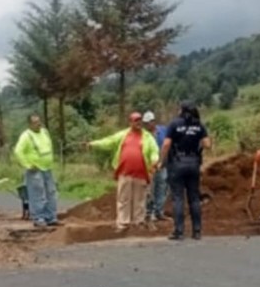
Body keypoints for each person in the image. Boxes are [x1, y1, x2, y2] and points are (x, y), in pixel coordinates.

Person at [87, 112, 160, 232]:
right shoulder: (123, 135)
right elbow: (108, 141)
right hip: (125, 172)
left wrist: (154, 161)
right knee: (123, 198)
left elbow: (154, 151)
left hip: (141, 173)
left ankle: (138, 222)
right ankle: (123, 223)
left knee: (139, 199)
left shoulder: (147, 137)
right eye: (136, 120)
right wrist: (93, 144)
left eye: (140, 120)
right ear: (130, 122)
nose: (138, 123)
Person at [159, 102, 212, 241]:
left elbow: (166, 144)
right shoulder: (198, 125)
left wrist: (161, 161)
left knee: (178, 198)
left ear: (182, 110)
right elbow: (207, 144)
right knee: (194, 198)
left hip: (177, 163)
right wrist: (196, 147)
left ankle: (179, 231)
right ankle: (197, 231)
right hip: (193, 163)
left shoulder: (174, 124)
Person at [13, 114, 60, 228]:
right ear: (30, 124)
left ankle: (51, 216)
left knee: (51, 192)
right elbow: (18, 151)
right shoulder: (26, 136)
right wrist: (28, 165)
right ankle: (39, 217)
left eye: (39, 121)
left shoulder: (44, 132)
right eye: (35, 122)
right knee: (38, 194)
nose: (38, 124)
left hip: (47, 167)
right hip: (35, 170)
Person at [143, 111, 169, 221]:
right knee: (150, 190)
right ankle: (149, 212)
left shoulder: (163, 130)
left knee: (162, 188)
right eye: (145, 123)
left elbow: (168, 144)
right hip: (149, 167)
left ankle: (159, 211)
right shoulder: (143, 134)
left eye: (149, 122)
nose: (147, 125)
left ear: (153, 121)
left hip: (162, 165)